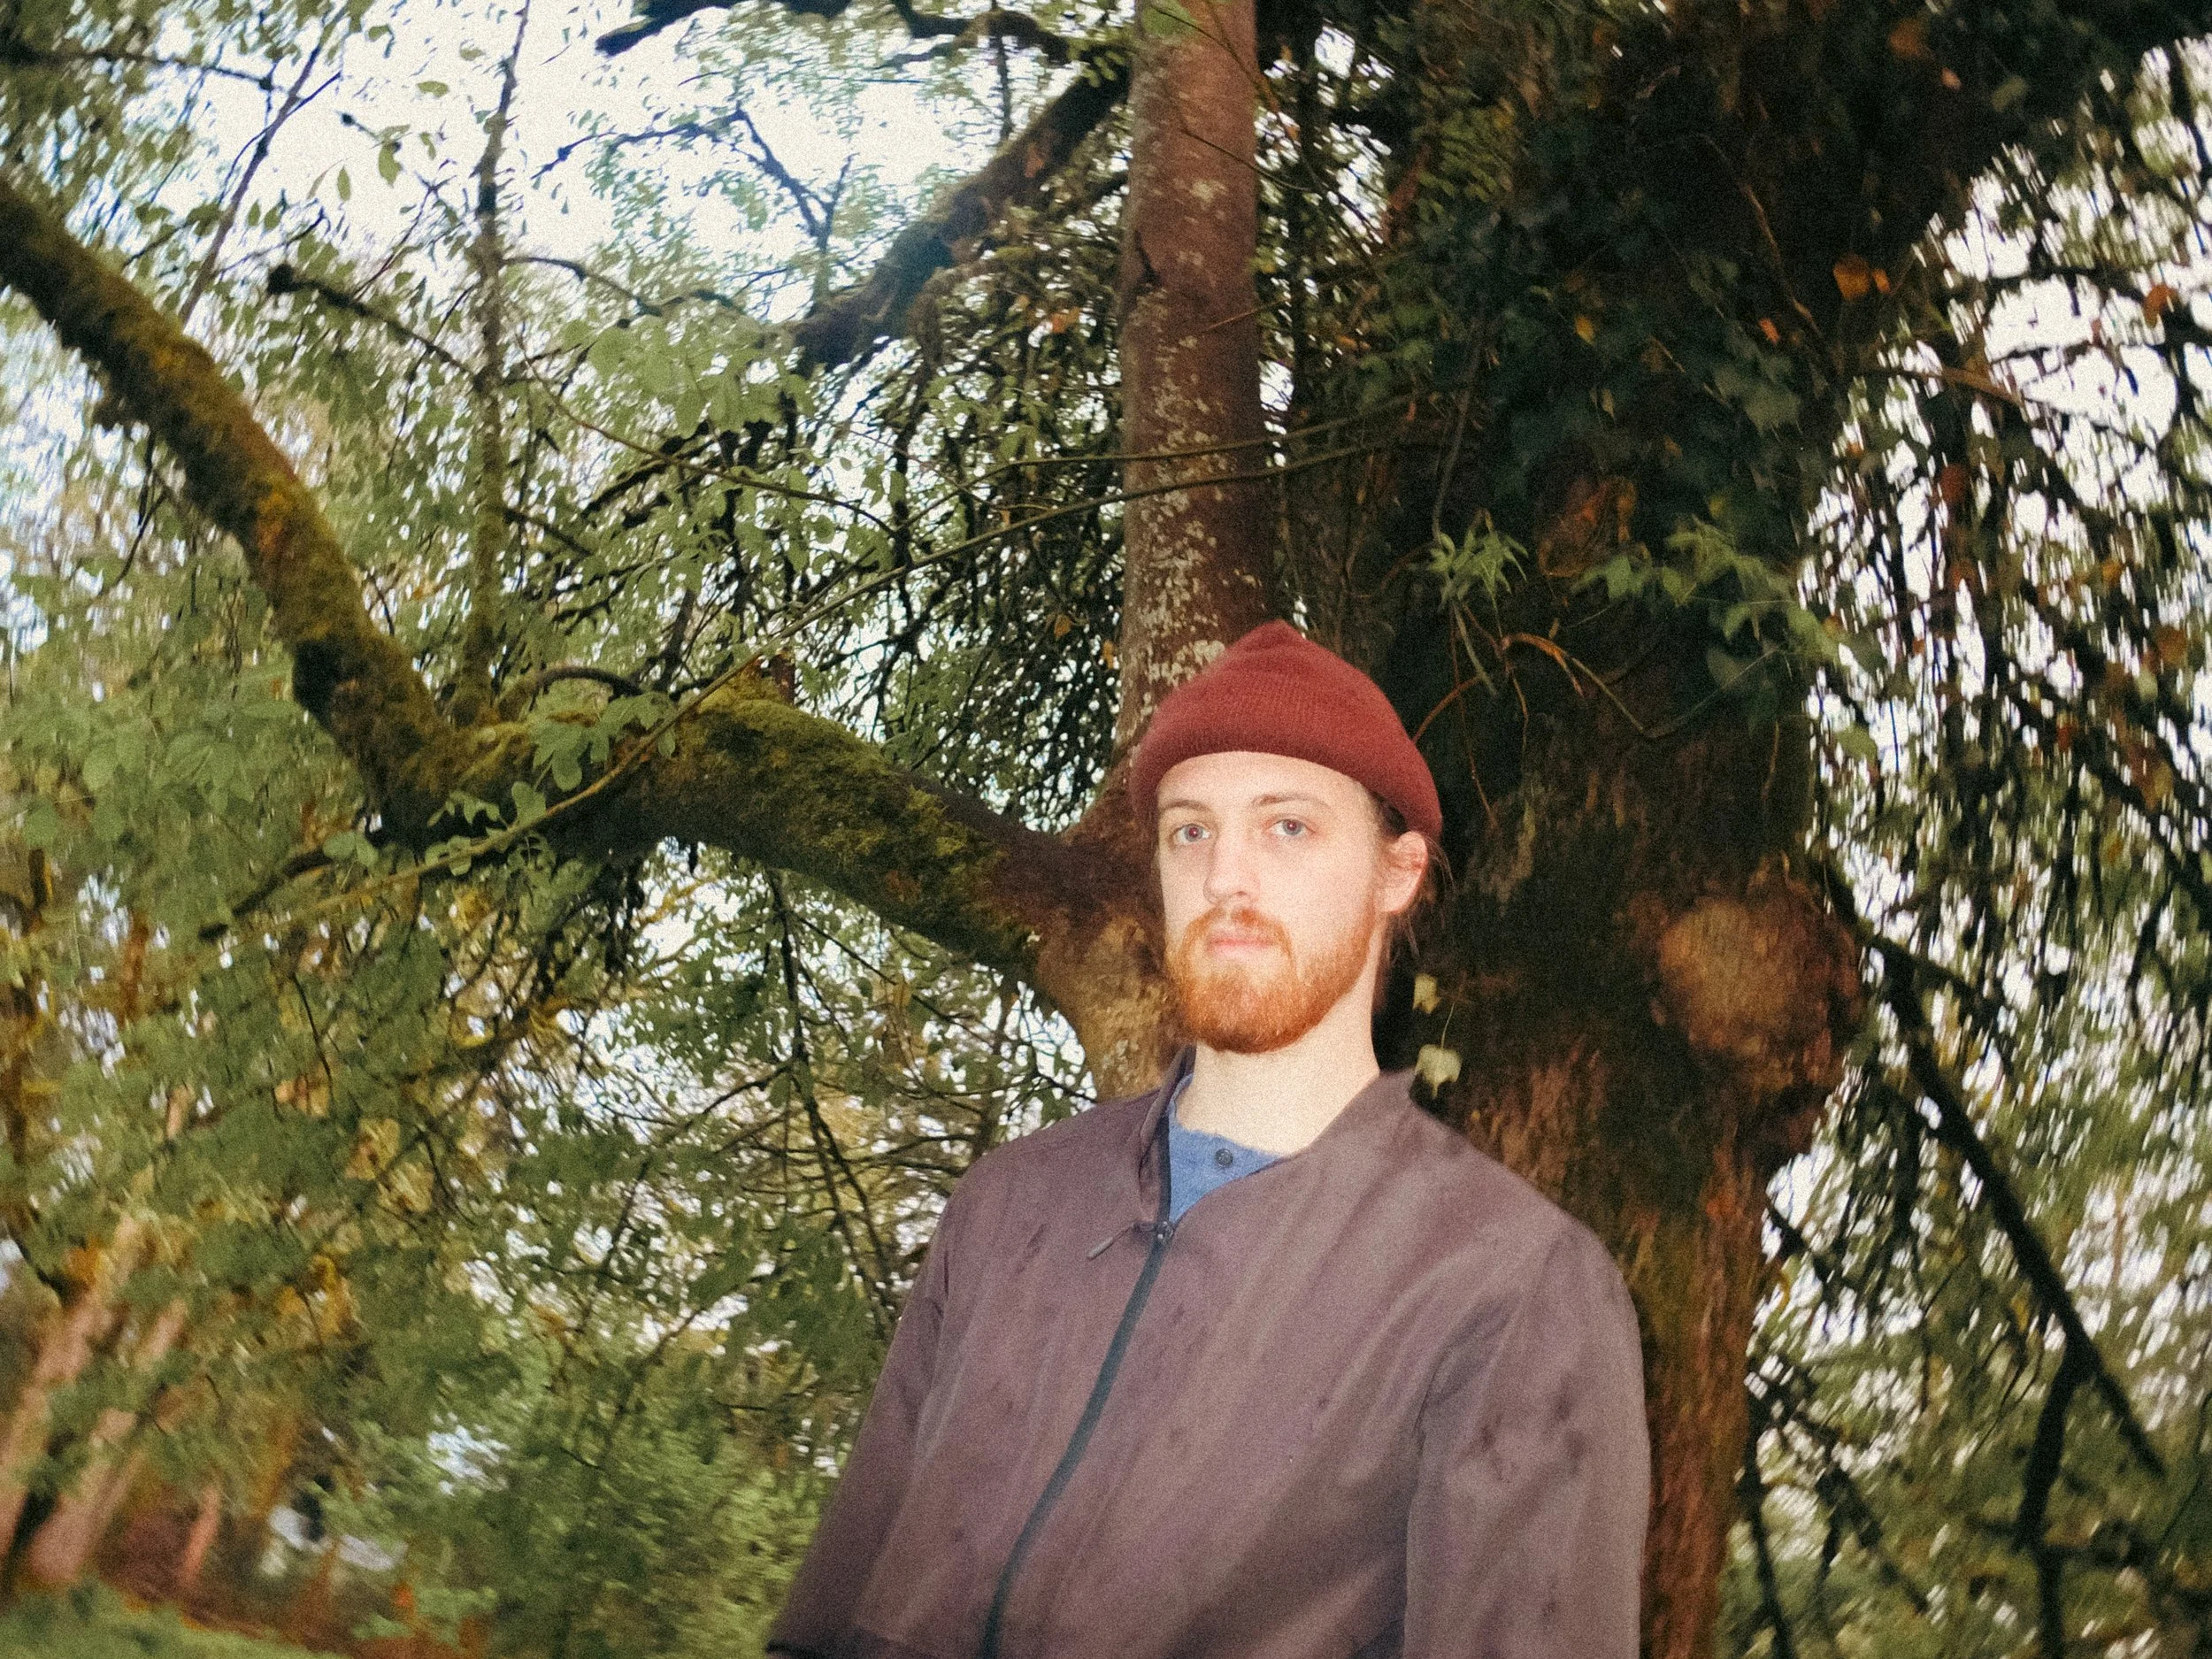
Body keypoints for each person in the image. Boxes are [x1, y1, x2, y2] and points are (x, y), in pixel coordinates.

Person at [765, 621, 1649, 1659]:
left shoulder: (1508, 1285)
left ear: (1397, 872)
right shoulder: (1008, 1205)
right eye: (1190, 832)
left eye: (1288, 828)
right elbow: (833, 1614)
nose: (1227, 875)